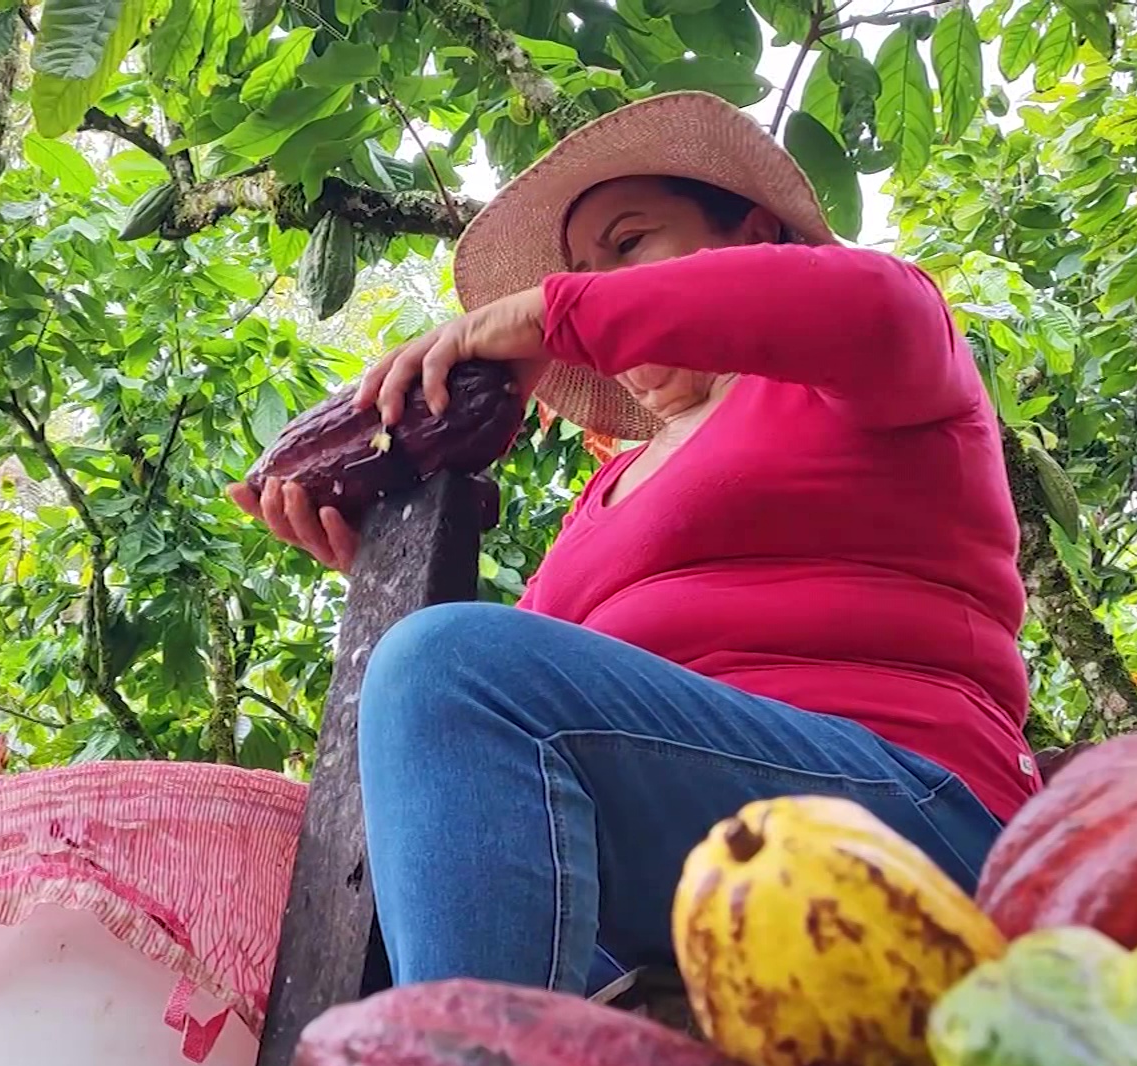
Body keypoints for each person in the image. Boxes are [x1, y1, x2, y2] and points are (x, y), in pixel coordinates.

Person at [226, 91, 1040, 999]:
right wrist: (381, 574)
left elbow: (875, 305)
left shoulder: (855, 373)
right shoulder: (604, 496)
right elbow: (494, 737)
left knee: (448, 665)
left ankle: (458, 1059)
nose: (603, 286)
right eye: (582, 269)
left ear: (755, 233)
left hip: (912, 811)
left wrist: (548, 310)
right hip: (680, 883)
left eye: (629, 244)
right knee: (407, 756)